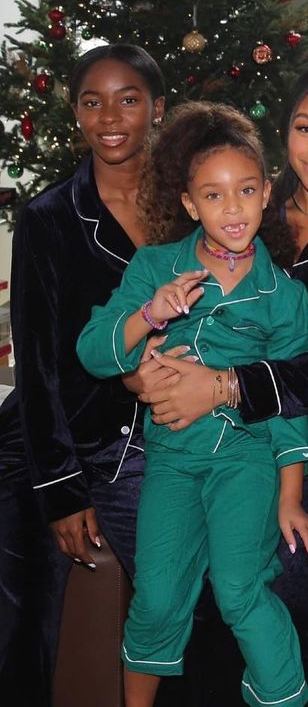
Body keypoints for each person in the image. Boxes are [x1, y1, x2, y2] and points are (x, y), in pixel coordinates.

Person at [130, 62, 308, 707]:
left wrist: (229, 385)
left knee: (293, 604)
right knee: (194, 595)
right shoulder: (241, 199)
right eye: (306, 128)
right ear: (285, 131)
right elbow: (159, 301)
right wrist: (141, 369)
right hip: (235, 441)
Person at [77, 102, 308, 707]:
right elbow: (93, 352)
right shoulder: (155, 266)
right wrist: (149, 314)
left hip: (247, 458)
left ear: (267, 193)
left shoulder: (285, 295)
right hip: (171, 459)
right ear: (190, 205)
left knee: (240, 588)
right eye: (213, 195)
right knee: (158, 596)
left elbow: (290, 401)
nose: (232, 208)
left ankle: (285, 697)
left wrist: (290, 496)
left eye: (246, 190)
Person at [0, 44, 164, 703]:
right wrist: (63, 490)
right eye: (92, 102)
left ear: (158, 107)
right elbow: (36, 367)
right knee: (18, 622)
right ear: (76, 113)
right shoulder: (46, 220)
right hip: (47, 442)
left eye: (128, 99)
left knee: (186, 601)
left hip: (151, 442)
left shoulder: (192, 205)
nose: (110, 117)